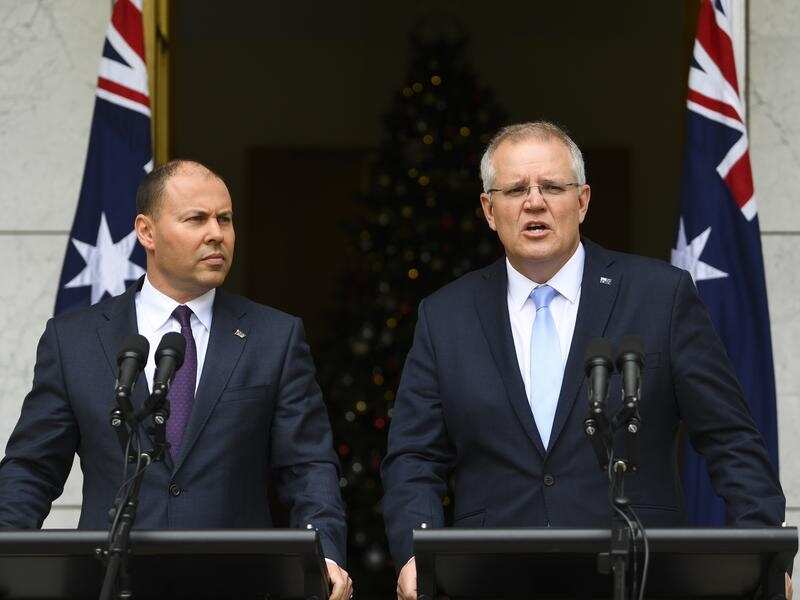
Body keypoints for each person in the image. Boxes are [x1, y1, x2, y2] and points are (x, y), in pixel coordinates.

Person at [381, 121, 785, 600]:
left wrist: (762, 554)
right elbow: (414, 456)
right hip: (491, 579)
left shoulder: (661, 296)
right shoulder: (445, 315)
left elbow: (730, 438)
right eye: (515, 189)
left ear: (583, 201)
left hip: (638, 576)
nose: (535, 202)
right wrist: (413, 552)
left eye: (552, 186)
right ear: (489, 210)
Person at [0, 160, 352, 600]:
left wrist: (327, 555)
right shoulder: (74, 340)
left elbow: (307, 467)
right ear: (146, 232)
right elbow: (33, 468)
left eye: (225, 219)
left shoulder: (274, 337)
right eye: (196, 219)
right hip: (111, 581)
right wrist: (7, 555)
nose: (217, 234)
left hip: (239, 584)